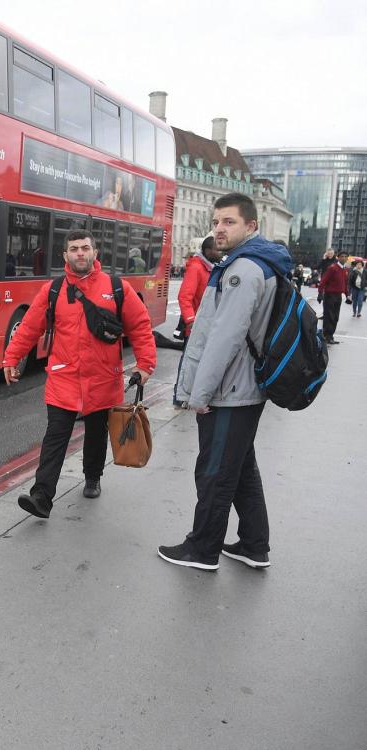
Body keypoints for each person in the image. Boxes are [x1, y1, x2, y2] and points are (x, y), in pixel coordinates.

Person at [159, 192, 292, 571]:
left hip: (229, 391)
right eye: (216, 221)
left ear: (251, 226)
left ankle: (202, 549)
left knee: (215, 471)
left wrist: (198, 394)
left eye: (229, 222)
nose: (219, 228)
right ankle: (253, 543)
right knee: (240, 468)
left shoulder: (242, 270)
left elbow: (224, 338)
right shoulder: (258, 263)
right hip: (244, 388)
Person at [3, 230, 156, 516]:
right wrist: (11, 357)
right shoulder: (53, 289)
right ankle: (42, 497)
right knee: (55, 437)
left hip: (103, 378)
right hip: (64, 379)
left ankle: (93, 476)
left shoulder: (116, 287)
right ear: (66, 255)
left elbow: (140, 326)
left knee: (96, 433)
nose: (80, 253)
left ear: (95, 253)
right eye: (74, 249)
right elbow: (29, 328)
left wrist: (145, 364)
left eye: (85, 248)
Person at [173, 234, 221, 405]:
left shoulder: (212, 267)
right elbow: (184, 296)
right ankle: (179, 398)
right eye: (217, 249)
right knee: (188, 360)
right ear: (208, 251)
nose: (220, 251)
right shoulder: (197, 267)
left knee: (198, 361)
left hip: (207, 324)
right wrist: (191, 321)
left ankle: (191, 396)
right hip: (195, 325)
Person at [318, 250, 349, 344]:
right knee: (329, 316)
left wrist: (348, 296)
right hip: (330, 295)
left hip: (338, 296)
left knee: (335, 317)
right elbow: (323, 280)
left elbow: (345, 283)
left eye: (345, 256)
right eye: (342, 256)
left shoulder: (345, 269)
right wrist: (320, 293)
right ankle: (327, 336)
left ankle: (330, 335)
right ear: (338, 257)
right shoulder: (332, 268)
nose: (344, 258)